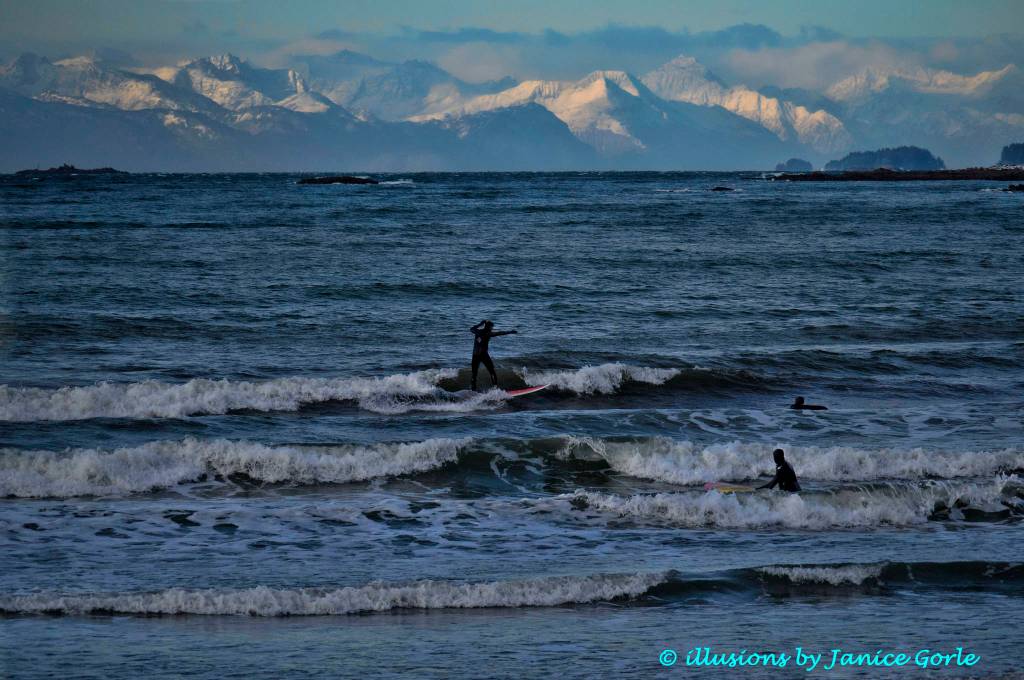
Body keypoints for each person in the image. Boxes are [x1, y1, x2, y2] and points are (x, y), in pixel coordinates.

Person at [470, 320, 517, 390]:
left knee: (474, 374)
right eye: (492, 327)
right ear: (489, 327)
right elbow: (499, 333)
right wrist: (510, 332)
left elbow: (471, 329)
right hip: (483, 355)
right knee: (492, 371)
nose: (492, 329)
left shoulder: (477, 331)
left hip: (475, 355)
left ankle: (473, 390)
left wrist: (481, 323)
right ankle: (495, 389)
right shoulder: (488, 333)